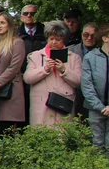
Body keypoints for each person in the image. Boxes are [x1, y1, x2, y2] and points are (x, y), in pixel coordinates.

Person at [23, 20, 81, 127]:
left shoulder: (74, 58)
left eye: (58, 39)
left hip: (63, 107)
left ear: (64, 39)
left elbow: (79, 82)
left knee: (63, 138)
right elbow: (27, 78)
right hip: (41, 108)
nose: (54, 42)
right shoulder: (36, 56)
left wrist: (64, 70)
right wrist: (44, 69)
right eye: (51, 39)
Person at [0, 11, 27, 136]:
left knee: (6, 131)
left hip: (9, 91)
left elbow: (13, 68)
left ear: (9, 25)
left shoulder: (17, 43)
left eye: (2, 23)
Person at [80, 24, 109, 153]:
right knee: (97, 143)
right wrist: (100, 107)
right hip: (96, 108)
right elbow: (87, 85)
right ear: (105, 38)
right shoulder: (90, 58)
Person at [69, 23, 98, 118]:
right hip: (73, 94)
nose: (89, 38)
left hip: (94, 96)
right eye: (86, 35)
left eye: (93, 35)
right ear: (81, 35)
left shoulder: (102, 52)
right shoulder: (70, 51)